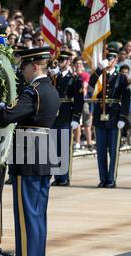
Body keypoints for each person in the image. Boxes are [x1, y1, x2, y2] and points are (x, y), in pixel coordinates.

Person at [0, 47, 60, 256]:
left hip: (29, 157)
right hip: (42, 156)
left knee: (27, 215)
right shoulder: (50, 90)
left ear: (34, 66)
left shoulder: (33, 91)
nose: (21, 71)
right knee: (37, 216)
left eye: (24, 66)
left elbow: (7, 115)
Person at [89, 47, 130, 188]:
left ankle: (111, 179)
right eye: (107, 58)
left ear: (116, 60)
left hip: (114, 115)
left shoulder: (121, 78)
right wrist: (100, 69)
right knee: (100, 150)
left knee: (113, 150)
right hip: (100, 115)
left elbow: (126, 98)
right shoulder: (100, 75)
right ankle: (103, 178)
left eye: (112, 58)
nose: (109, 61)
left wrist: (123, 117)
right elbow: (90, 84)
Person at [51, 51, 84, 187]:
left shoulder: (74, 78)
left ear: (68, 61)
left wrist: (76, 117)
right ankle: (56, 177)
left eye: (63, 60)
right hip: (54, 116)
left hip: (66, 115)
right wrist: (52, 76)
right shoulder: (53, 77)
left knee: (64, 148)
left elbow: (79, 100)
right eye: (59, 59)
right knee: (53, 148)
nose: (61, 62)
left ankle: (64, 177)